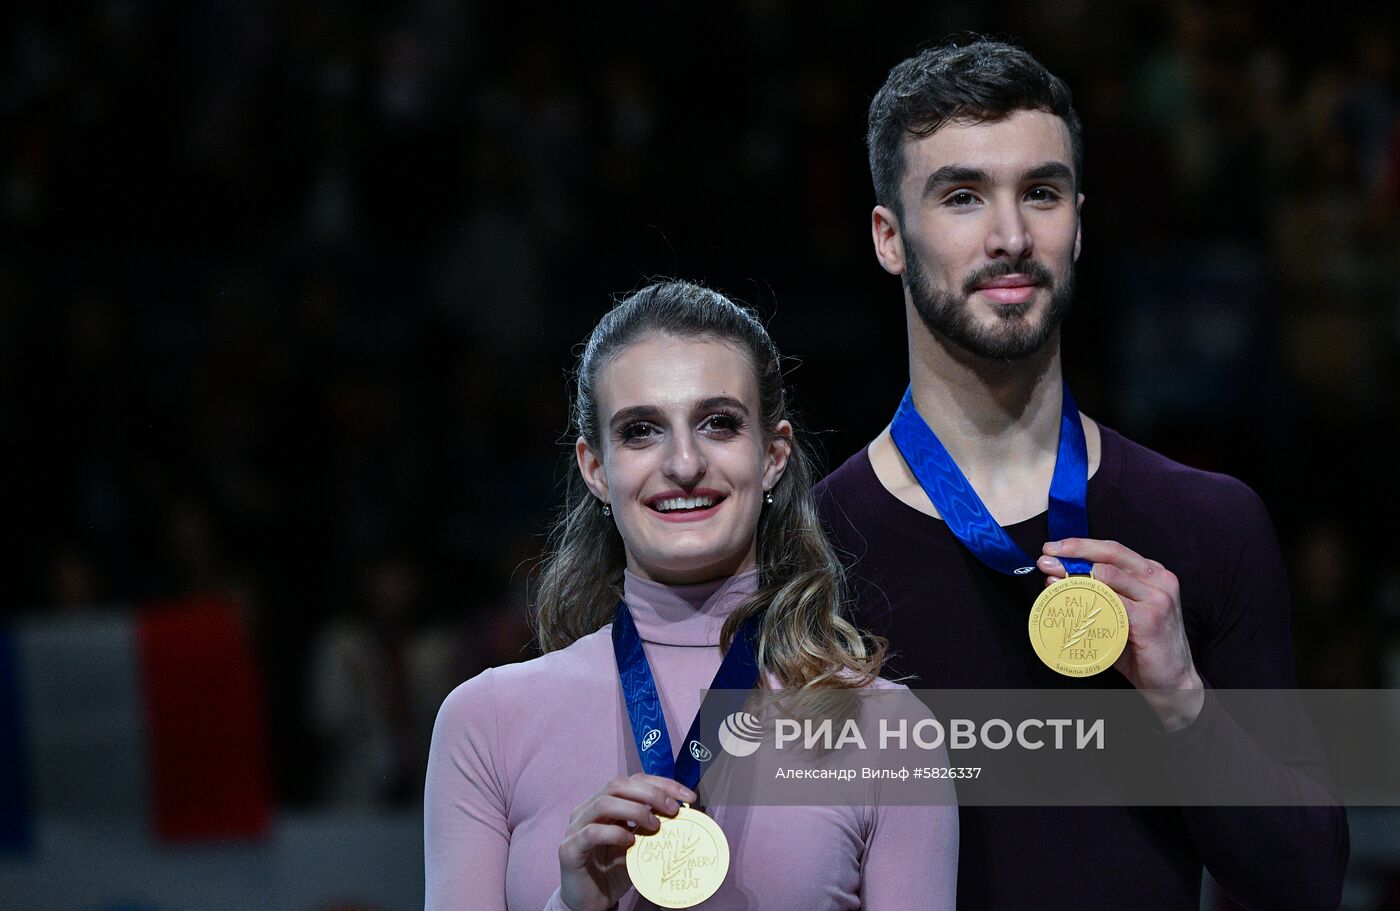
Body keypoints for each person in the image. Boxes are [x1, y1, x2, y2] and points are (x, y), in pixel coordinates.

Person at [814, 39, 1349, 911]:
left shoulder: (1207, 521)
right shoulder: (811, 551)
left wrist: (1181, 702)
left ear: (1079, 223)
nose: (1012, 236)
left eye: (1041, 193)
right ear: (889, 238)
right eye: (961, 196)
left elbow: (1304, 880)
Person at [425, 280, 958, 911]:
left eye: (719, 424)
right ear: (596, 469)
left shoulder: (891, 731)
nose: (683, 463)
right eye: (642, 430)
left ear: (773, 456)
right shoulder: (485, 724)